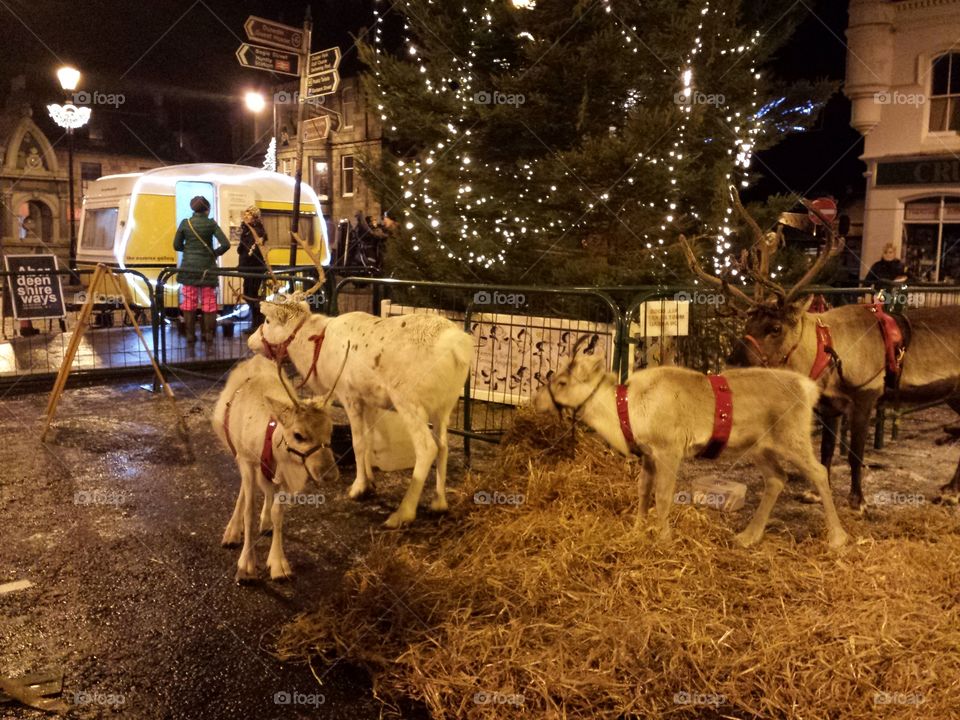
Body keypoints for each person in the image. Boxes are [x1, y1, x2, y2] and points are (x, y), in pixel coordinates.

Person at [173, 195, 229, 344]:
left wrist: (189, 251)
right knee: (209, 301)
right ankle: (208, 334)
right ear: (207, 209)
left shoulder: (186, 223)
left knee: (189, 301)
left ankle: (190, 335)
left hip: (189, 269)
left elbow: (176, 245)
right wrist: (214, 253)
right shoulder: (211, 224)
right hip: (207, 269)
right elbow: (226, 244)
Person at [237, 205, 268, 333]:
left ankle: (258, 324)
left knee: (252, 295)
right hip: (247, 268)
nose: (245, 216)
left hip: (254, 268)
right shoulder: (247, 230)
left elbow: (251, 250)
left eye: (248, 214)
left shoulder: (258, 231)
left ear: (254, 217)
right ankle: (256, 323)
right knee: (249, 294)